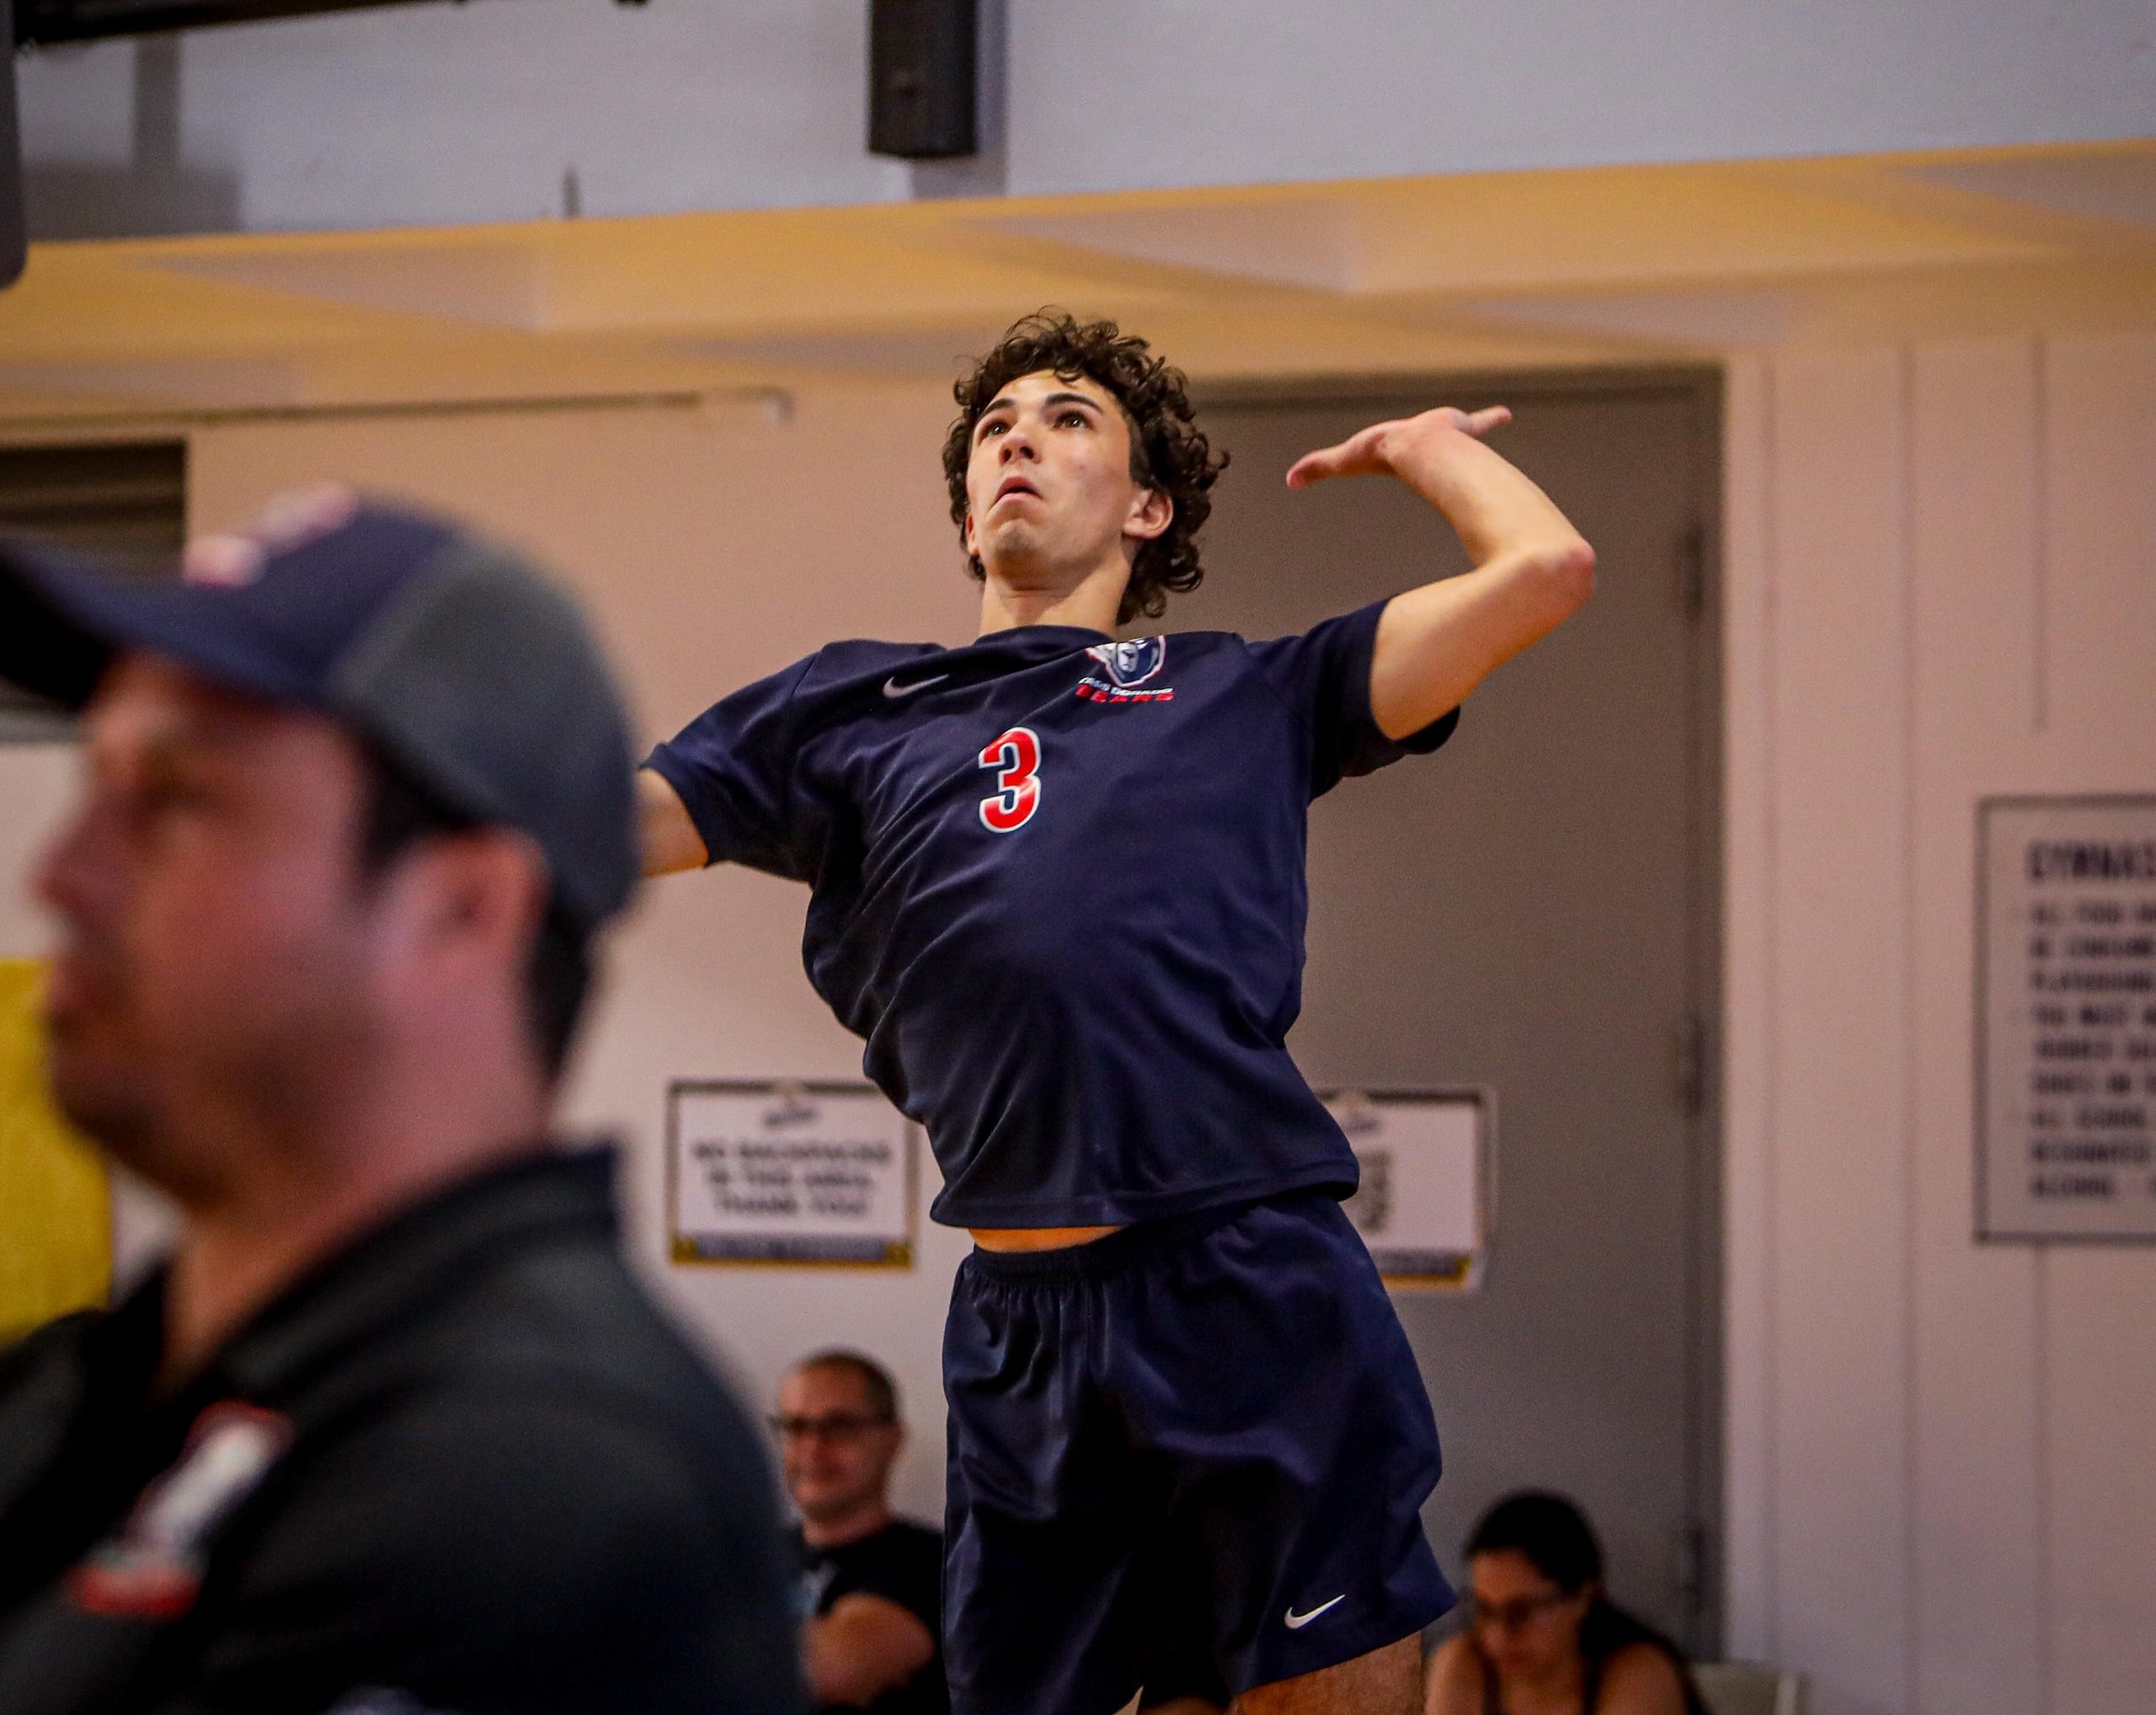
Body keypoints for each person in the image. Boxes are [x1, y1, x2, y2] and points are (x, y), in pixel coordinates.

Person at [639, 312, 1595, 1715]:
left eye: (1070, 416)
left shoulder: (1247, 690)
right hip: (1023, 1312)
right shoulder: (848, 708)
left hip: (1244, 1275)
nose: (1019, 434)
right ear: (969, 506)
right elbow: (578, 833)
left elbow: (1544, 571)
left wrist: (1429, 450)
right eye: (995, 425)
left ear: (1149, 507)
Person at [0, 488, 803, 1715]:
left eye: (171, 800)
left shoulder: (539, 1475)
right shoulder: (81, 1391)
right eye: (92, 782)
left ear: (462, 913)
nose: (59, 874)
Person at [1424, 1493, 1705, 1715]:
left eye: (1520, 1613)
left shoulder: (1640, 1673)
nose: (1498, 1635)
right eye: (1484, 1609)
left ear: (1582, 1598)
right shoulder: (1463, 1664)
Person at [777, 1349, 946, 1715]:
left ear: (893, 1438)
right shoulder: (751, 1549)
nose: (812, 1448)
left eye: (838, 1426)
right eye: (795, 1427)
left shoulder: (935, 1563)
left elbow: (831, 1671)